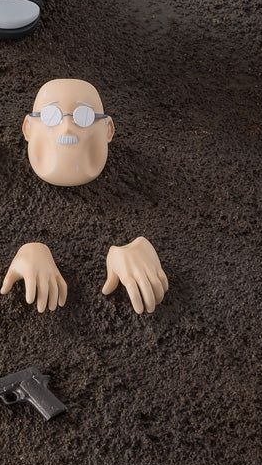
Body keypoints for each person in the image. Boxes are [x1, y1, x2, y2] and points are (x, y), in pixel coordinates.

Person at [23, 79, 169, 314]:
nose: (67, 127)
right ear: (28, 128)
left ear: (109, 129)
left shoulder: (140, 198)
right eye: (50, 115)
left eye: (84, 116)